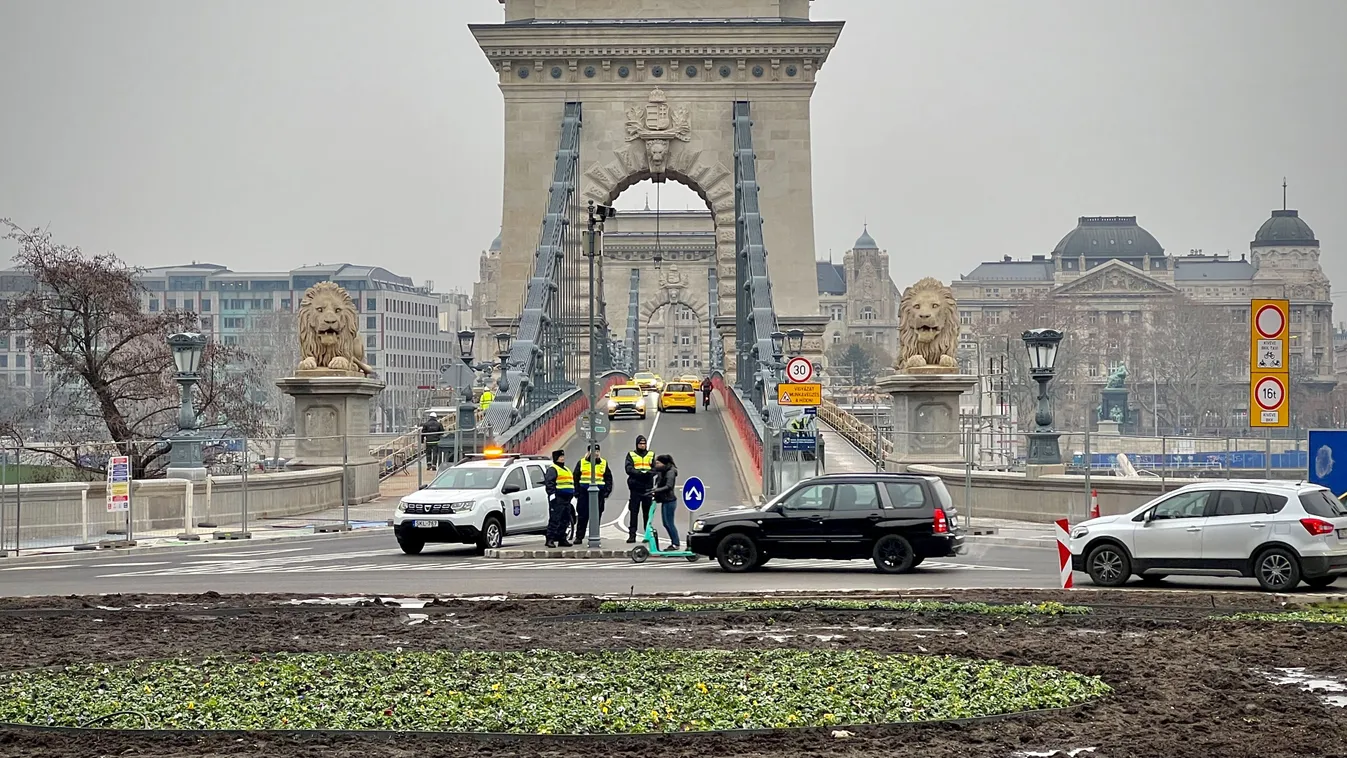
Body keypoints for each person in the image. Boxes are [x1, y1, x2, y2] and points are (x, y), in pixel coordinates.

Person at [573, 444, 613, 543]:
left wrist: (606, 492)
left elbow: (608, 478)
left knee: (597, 516)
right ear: (588, 452)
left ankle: (595, 536)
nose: (595, 453)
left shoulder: (603, 463)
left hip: (599, 494)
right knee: (583, 516)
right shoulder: (582, 462)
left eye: (597, 451)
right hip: (584, 493)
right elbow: (575, 478)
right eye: (593, 451)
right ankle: (579, 537)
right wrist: (577, 492)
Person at [624, 435, 655, 544]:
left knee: (647, 513)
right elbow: (628, 468)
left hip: (647, 488)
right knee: (634, 512)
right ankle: (632, 535)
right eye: (640, 444)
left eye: (644, 444)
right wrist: (639, 474)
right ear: (637, 444)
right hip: (635, 488)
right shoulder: (631, 455)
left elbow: (655, 468)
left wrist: (647, 474)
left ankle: (647, 535)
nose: (642, 445)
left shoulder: (651, 454)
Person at [543, 449, 575, 548]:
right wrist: (552, 496)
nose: (562, 458)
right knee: (555, 519)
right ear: (556, 458)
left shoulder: (566, 469)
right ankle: (550, 539)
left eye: (563, 457)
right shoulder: (553, 469)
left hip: (567, 499)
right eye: (560, 457)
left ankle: (562, 538)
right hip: (558, 498)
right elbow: (549, 483)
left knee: (565, 519)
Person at [650, 454, 681, 551]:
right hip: (665, 500)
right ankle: (675, 543)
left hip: (669, 501)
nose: (656, 464)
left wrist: (656, 490)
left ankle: (675, 544)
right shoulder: (662, 470)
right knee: (666, 523)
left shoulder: (670, 472)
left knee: (669, 523)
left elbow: (669, 486)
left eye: (658, 463)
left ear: (664, 463)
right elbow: (653, 474)